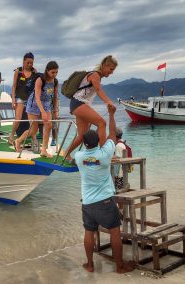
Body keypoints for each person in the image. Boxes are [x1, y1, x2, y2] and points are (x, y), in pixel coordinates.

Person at [74, 105, 135, 274]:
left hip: (87, 202)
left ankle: (90, 264)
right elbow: (112, 136)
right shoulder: (105, 154)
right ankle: (120, 266)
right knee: (115, 232)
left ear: (85, 144)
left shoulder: (79, 157)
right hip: (105, 201)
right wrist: (111, 115)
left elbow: (79, 155)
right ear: (96, 143)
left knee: (89, 232)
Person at [64, 55, 118, 162]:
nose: (112, 72)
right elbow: (98, 90)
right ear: (104, 65)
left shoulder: (96, 76)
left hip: (77, 103)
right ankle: (104, 154)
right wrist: (108, 102)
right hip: (78, 103)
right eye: (111, 69)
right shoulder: (95, 75)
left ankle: (66, 154)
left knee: (81, 136)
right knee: (102, 123)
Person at [14, 61, 59, 157]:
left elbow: (55, 97)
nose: (54, 75)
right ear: (47, 71)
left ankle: (44, 150)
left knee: (49, 125)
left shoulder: (55, 82)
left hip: (46, 103)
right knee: (34, 130)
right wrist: (42, 112)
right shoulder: (40, 79)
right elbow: (37, 97)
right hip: (34, 103)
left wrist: (55, 110)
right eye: (52, 72)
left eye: (56, 72)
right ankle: (18, 141)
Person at [8, 52, 37, 145]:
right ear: (23, 61)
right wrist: (13, 100)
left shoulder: (34, 72)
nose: (29, 65)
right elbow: (13, 86)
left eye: (31, 63)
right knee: (18, 118)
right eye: (28, 62)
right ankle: (12, 135)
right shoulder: (18, 71)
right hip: (20, 97)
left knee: (32, 120)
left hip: (30, 98)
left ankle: (34, 138)